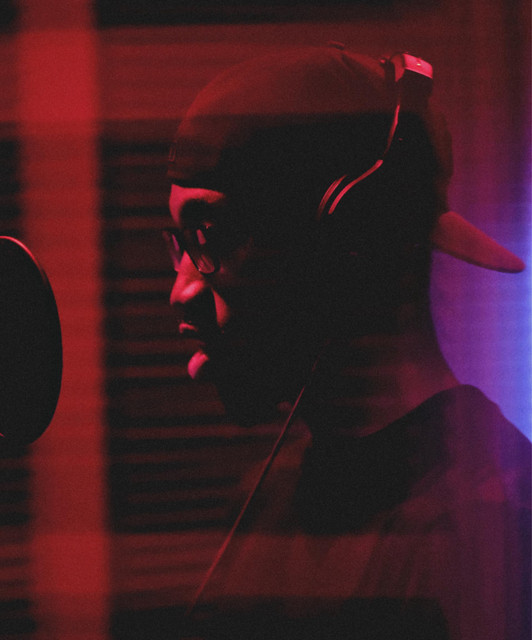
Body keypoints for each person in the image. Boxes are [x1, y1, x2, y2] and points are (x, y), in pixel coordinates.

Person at [164, 44, 530, 639]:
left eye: (211, 235)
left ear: (349, 245)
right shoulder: (271, 499)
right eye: (178, 245)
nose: (180, 291)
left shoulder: (495, 532)